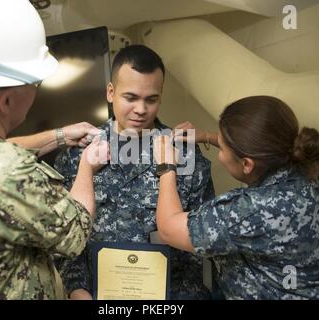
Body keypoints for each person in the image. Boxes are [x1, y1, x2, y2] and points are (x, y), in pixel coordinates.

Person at [0, 0, 108, 299]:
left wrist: (59, 136)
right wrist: (86, 168)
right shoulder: (8, 170)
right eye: (35, 83)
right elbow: (75, 233)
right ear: (7, 101)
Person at [54, 45, 215, 300]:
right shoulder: (77, 156)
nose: (141, 109)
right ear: (110, 92)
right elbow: (65, 240)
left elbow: (203, 239)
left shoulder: (187, 157)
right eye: (130, 97)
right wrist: (77, 290)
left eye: (151, 99)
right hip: (100, 296)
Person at [153, 95, 319, 300]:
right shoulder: (309, 172)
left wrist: (166, 166)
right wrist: (208, 136)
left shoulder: (254, 210)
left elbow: (168, 228)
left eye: (224, 148)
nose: (221, 151)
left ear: (246, 164)